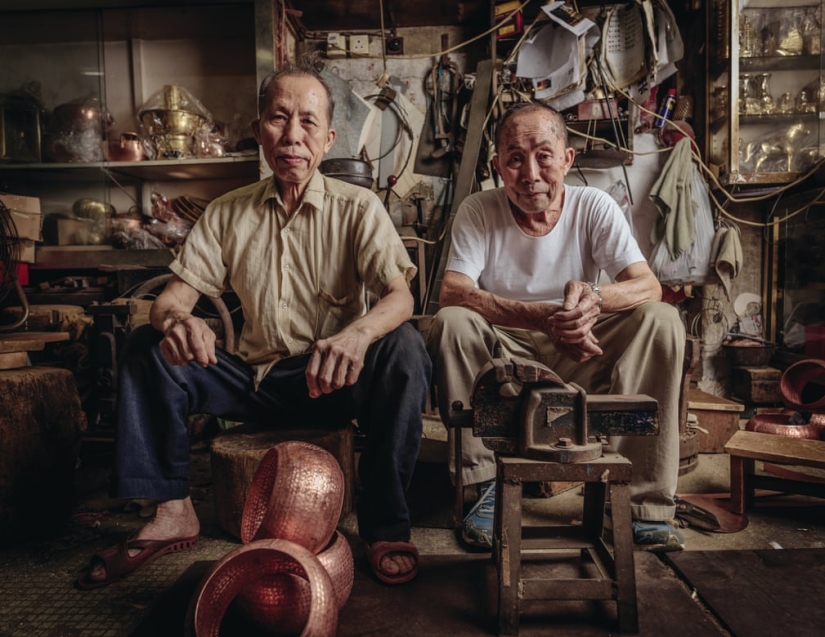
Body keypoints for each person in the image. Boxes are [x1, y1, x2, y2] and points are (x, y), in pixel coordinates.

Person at [77, 61, 431, 589]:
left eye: (308, 122)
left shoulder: (358, 209)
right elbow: (170, 301)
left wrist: (357, 335)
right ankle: (173, 510)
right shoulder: (225, 213)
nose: (292, 136)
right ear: (258, 130)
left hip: (330, 379)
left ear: (329, 137)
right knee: (147, 345)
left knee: (404, 347)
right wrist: (178, 321)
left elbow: (400, 298)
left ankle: (385, 524)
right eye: (278, 118)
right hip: (253, 379)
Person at [426, 101, 686, 552]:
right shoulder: (478, 209)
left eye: (544, 155)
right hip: (506, 363)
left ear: (567, 159)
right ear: (497, 167)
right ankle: (481, 487)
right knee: (451, 324)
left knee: (661, 320)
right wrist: (541, 315)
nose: (530, 173)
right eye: (514, 158)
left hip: (581, 353)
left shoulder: (593, 206)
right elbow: (452, 292)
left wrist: (593, 301)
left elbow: (648, 286)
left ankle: (644, 505)